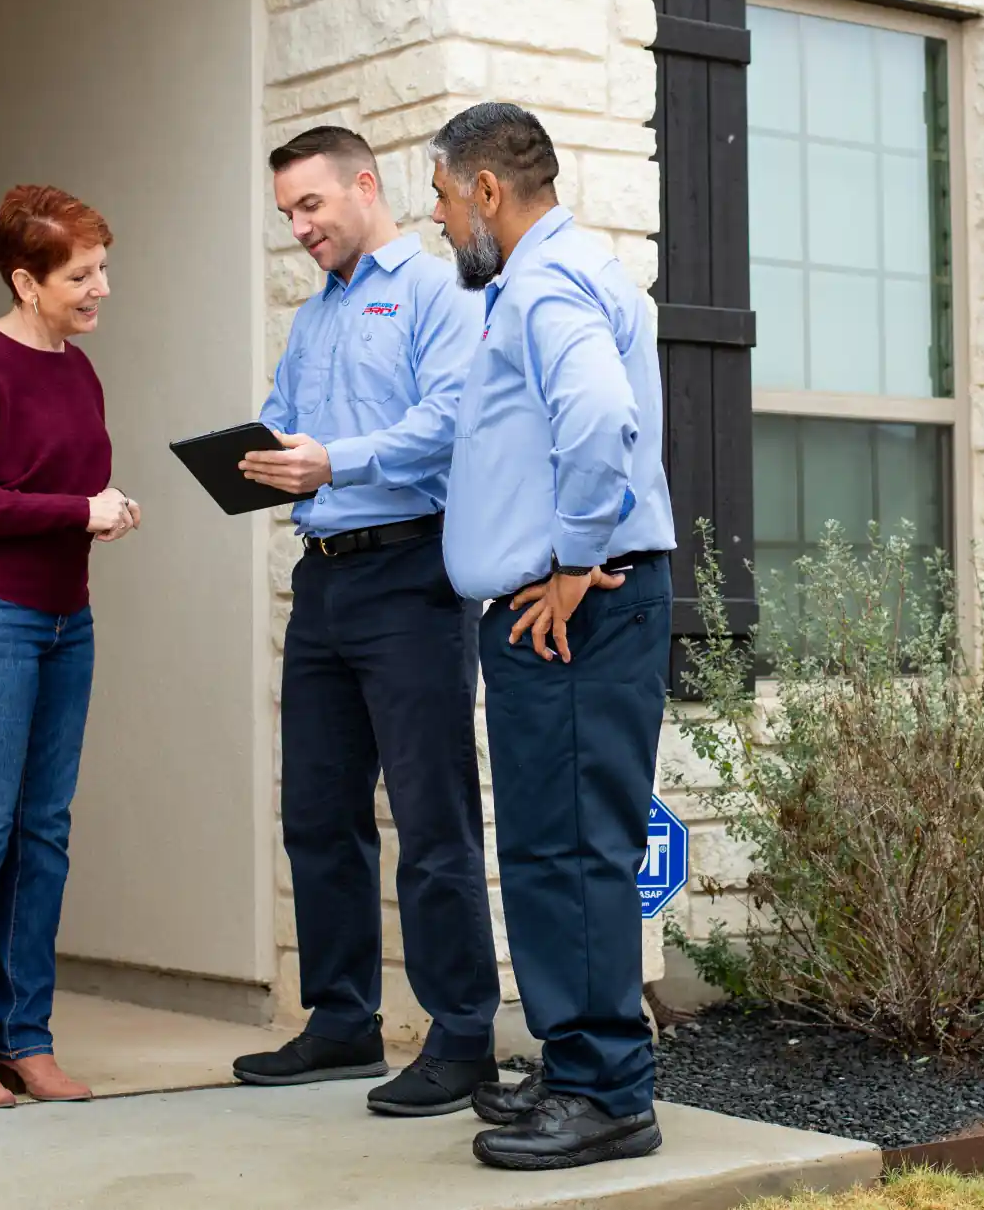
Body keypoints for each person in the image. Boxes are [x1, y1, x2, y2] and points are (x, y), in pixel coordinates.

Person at [427, 104, 677, 1171]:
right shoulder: (555, 277)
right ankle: (578, 1066)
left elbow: (596, 415)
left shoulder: (543, 283)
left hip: (575, 604)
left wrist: (574, 558)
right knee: (547, 849)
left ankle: (609, 1093)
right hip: (558, 606)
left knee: (570, 851)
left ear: (487, 190)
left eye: (440, 197)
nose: (437, 221)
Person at [231, 125, 499, 1115]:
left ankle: (463, 1035)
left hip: (412, 576)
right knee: (318, 810)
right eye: (286, 215)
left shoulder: (435, 291)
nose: (298, 227)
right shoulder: (313, 320)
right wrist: (256, 456)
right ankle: (341, 1019)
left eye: (309, 206)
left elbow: (449, 419)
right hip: (325, 581)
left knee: (433, 817)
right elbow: (281, 416)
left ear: (363, 185)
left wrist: (333, 460)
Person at [0, 185, 140, 1110]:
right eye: (81, 275)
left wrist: (104, 511)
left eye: (101, 269)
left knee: (43, 831)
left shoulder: (78, 370)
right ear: (26, 279)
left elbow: (55, 488)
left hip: (62, 616)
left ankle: (27, 1039)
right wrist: (75, 510)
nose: (102, 289)